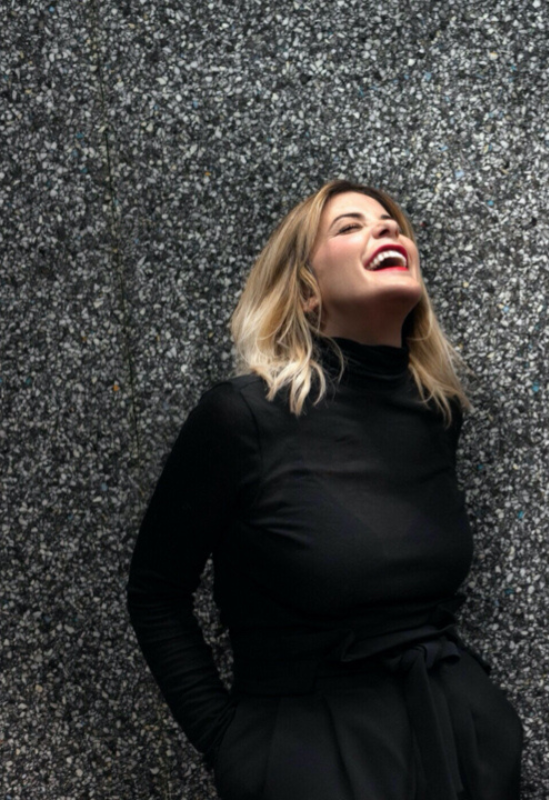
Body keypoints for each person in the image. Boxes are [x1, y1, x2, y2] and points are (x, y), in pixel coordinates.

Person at [127, 180, 522, 800]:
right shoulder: (241, 416)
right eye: (349, 226)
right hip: (311, 758)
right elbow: (156, 593)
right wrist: (232, 744)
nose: (386, 229)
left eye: (391, 223)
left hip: (460, 743)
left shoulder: (437, 413)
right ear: (307, 291)